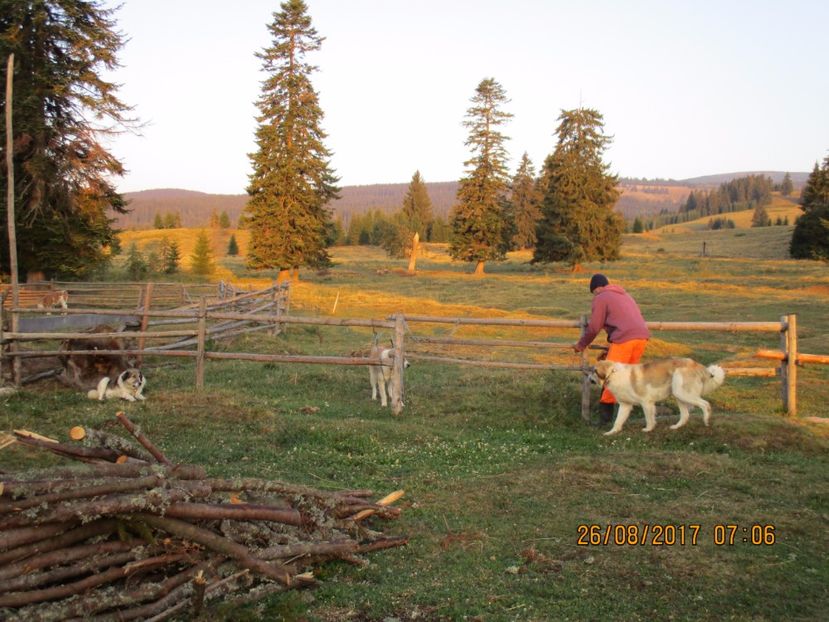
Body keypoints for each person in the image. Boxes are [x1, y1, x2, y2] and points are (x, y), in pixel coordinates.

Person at [573, 273, 650, 425]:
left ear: (597, 288)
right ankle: (624, 419)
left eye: (593, 293)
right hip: (641, 338)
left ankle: (605, 421)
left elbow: (594, 327)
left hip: (625, 339)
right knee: (626, 379)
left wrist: (581, 344)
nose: (594, 296)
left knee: (611, 378)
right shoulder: (625, 295)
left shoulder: (601, 297)